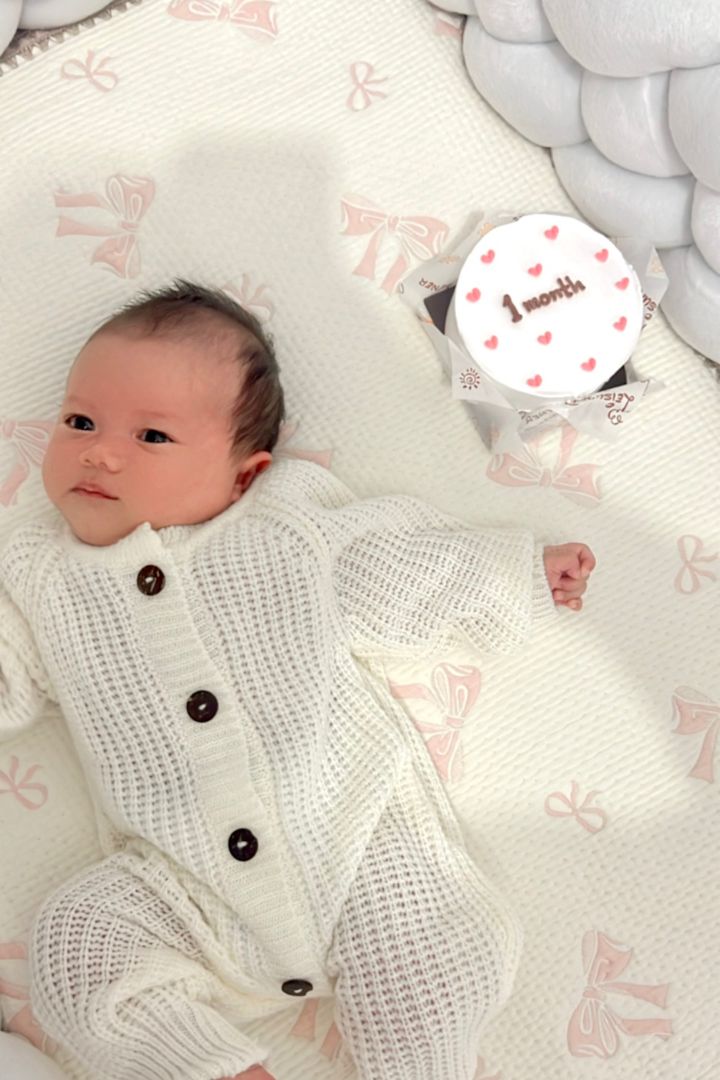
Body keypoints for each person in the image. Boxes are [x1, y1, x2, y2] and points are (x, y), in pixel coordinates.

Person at [0, 281, 595, 1080]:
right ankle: (216, 1068)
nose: (100, 453)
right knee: (76, 946)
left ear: (244, 476)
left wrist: (511, 572)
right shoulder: (39, 578)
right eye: (80, 422)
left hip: (354, 848)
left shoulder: (282, 534)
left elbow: (391, 573)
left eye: (152, 435)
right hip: (186, 889)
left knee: (436, 956)